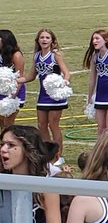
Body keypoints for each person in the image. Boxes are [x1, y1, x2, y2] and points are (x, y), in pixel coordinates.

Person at [30, 29, 70, 165]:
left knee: (53, 124)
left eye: (47, 37)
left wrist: (62, 83)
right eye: (42, 37)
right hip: (42, 96)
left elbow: (66, 73)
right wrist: (17, 80)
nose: (44, 40)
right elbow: (31, 76)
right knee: (41, 125)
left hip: (55, 96)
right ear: (38, 40)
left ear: (52, 40)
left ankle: (58, 156)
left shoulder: (55, 56)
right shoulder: (36, 56)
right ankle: (48, 153)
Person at [0, 29, 27, 131]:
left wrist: (12, 97)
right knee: (1, 122)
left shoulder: (16, 55)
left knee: (8, 124)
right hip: (1, 91)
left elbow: (19, 78)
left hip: (14, 93)